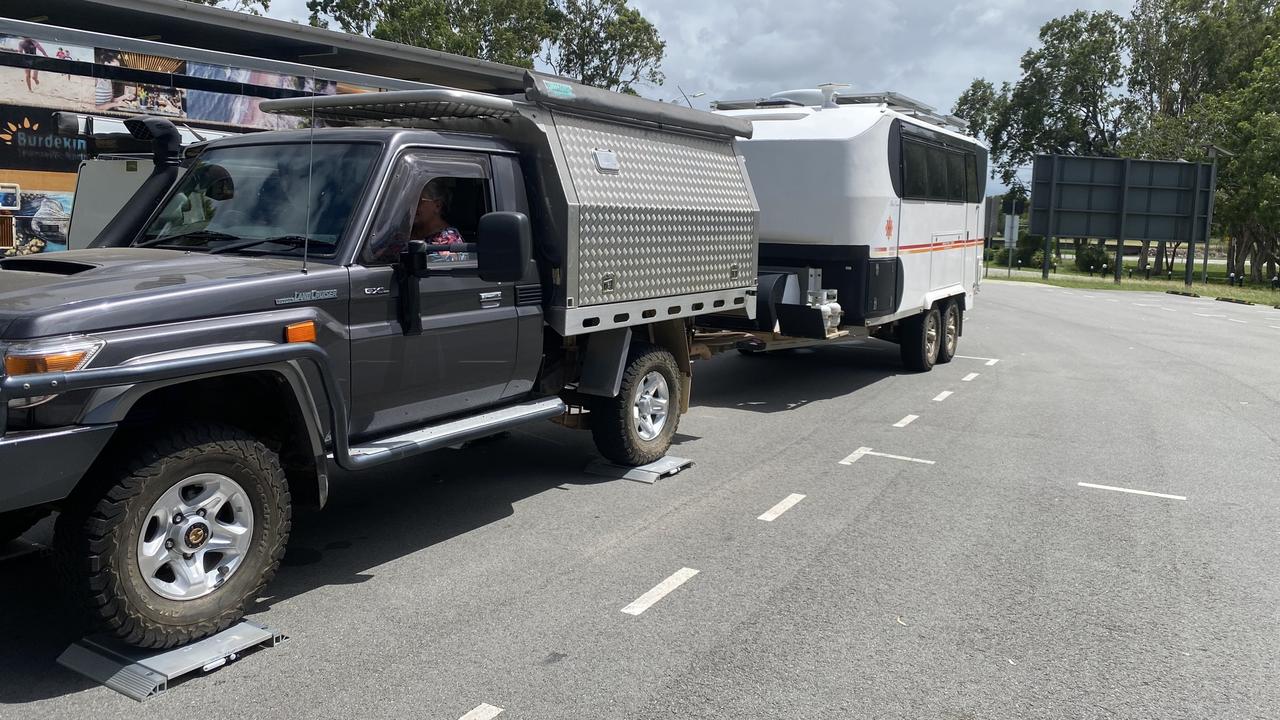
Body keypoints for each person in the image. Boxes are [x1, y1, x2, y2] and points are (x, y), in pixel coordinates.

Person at [412, 179, 466, 262]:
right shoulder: (405, 233)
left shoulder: (448, 241)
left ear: (437, 206)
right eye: (411, 201)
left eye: (418, 201)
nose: (413, 206)